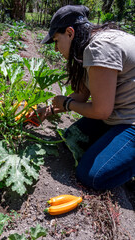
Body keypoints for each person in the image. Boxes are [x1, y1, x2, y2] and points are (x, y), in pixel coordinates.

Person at [32, 5, 135, 190]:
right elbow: (82, 94)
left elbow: (101, 110)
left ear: (70, 33)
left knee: (91, 176)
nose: (56, 49)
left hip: (129, 121)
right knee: (71, 138)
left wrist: (68, 104)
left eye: (56, 40)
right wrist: (48, 111)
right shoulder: (88, 45)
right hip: (121, 114)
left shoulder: (99, 48)